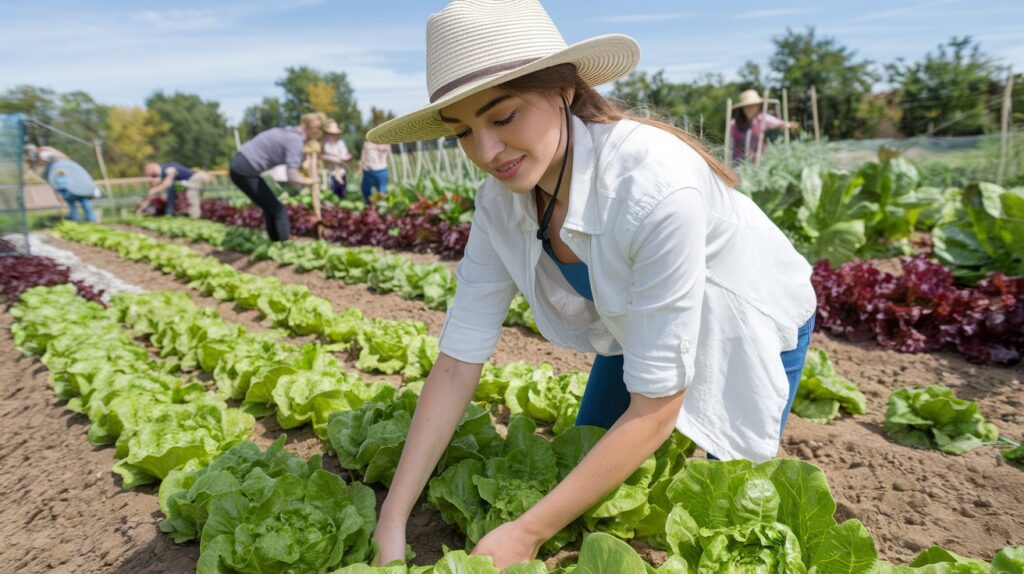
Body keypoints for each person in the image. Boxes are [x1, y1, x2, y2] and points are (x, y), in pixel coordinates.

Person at [365, 0, 818, 569]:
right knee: (588, 461)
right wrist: (393, 517)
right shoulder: (499, 204)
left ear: (562, 91)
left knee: (728, 505)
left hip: (745, 313)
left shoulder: (653, 184)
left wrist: (526, 533)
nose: (486, 152)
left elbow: (656, 406)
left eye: (503, 117)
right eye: (462, 133)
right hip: (636, 318)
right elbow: (458, 360)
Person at [228, 113, 324, 241]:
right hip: (245, 169)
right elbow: (292, 176)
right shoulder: (295, 140)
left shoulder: (288, 132)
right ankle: (284, 244)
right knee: (279, 210)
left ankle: (275, 241)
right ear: (313, 130)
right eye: (316, 135)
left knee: (270, 207)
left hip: (239, 164)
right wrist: (311, 181)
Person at [24, 144, 100, 222]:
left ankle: (88, 218)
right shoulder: (41, 158)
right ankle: (78, 217)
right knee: (73, 200)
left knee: (80, 198)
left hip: (64, 175)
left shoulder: (44, 154)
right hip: (64, 177)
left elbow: (49, 161)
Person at [728, 89, 799, 164]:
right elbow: (730, 145)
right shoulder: (733, 125)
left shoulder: (763, 119)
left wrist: (789, 125)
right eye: (747, 106)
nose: (751, 109)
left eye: (754, 106)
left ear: (759, 106)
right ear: (742, 108)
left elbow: (780, 124)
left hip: (759, 162)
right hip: (739, 162)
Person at [142, 161, 207, 218]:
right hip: (192, 180)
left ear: (152, 168)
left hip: (195, 178)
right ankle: (198, 215)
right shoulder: (164, 171)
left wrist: (154, 190)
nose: (151, 175)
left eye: (150, 173)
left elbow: (167, 183)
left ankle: (195, 218)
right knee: (195, 199)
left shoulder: (166, 169)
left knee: (192, 198)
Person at [322, 120, 352, 200]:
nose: (332, 136)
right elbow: (322, 156)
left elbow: (346, 155)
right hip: (330, 172)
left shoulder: (340, 143)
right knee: (331, 191)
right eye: (330, 134)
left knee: (341, 191)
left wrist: (343, 158)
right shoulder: (325, 144)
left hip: (341, 171)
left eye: (334, 134)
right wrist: (334, 158)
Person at [359, 135, 391, 202]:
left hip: (381, 171)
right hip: (368, 171)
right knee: (365, 189)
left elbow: (386, 150)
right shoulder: (366, 144)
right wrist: (363, 165)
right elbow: (363, 155)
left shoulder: (384, 143)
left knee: (382, 191)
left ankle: (381, 207)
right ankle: (369, 205)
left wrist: (380, 147)